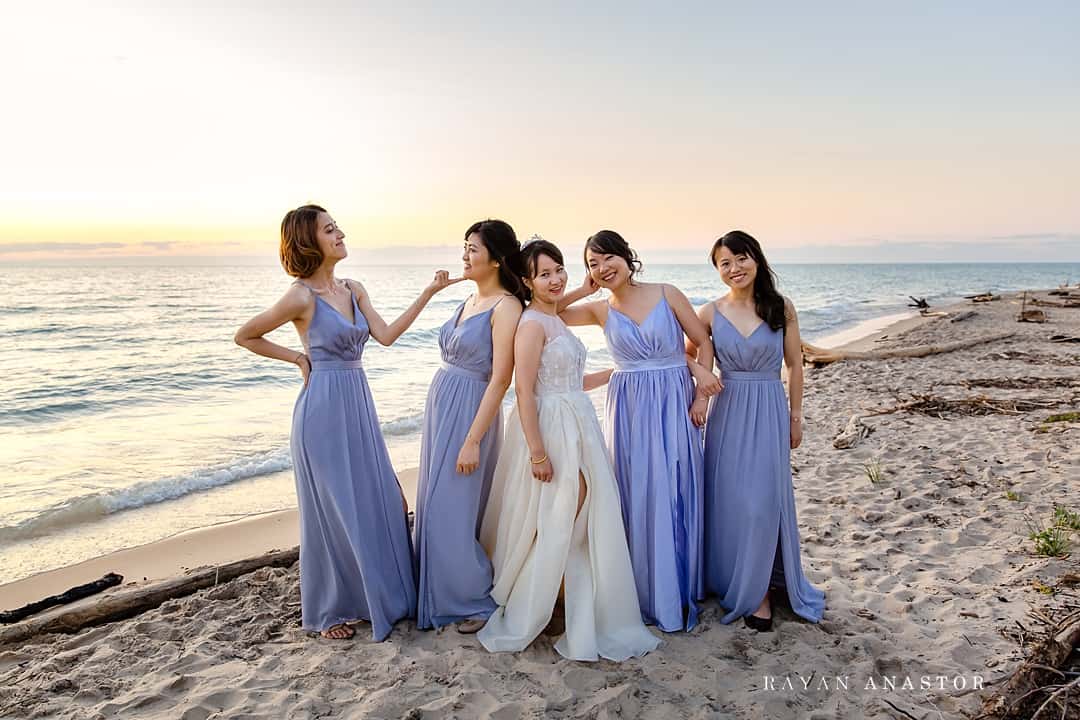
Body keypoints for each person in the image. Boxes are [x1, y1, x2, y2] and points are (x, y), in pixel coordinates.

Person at [234, 204, 457, 641]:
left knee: (377, 499)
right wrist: (297, 356)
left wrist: (429, 293)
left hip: (358, 404)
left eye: (337, 227)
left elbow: (387, 336)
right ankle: (332, 609)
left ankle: (382, 596)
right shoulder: (301, 296)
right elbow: (246, 335)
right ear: (308, 241)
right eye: (329, 230)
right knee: (334, 508)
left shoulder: (353, 289)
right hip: (321, 410)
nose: (340, 234)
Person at [478, 238, 660, 660]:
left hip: (579, 423)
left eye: (558, 269)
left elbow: (570, 379)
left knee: (579, 517)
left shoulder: (555, 318)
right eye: (544, 274)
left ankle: (568, 600)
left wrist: (615, 375)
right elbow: (524, 392)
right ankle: (536, 605)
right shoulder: (530, 325)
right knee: (562, 513)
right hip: (550, 428)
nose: (556, 278)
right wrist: (538, 453)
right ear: (527, 281)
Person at [557, 230, 721, 632]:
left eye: (607, 258)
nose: (602, 268)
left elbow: (701, 341)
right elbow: (549, 310)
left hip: (674, 400)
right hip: (629, 404)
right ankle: (646, 586)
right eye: (592, 263)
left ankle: (679, 584)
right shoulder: (599, 309)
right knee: (639, 488)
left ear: (627, 256)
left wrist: (702, 393)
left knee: (675, 484)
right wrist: (581, 289)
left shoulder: (667, 293)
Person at [690, 230, 825, 631]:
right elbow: (683, 355)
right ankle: (744, 585)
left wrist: (795, 417)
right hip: (727, 411)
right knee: (732, 501)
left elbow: (795, 365)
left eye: (741, 258)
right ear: (717, 271)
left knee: (763, 503)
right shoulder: (710, 313)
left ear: (757, 259)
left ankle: (765, 585)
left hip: (768, 408)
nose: (735, 269)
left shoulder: (780, 307)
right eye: (724, 263)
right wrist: (701, 373)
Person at [413, 219, 525, 632]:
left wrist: (473, 440)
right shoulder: (467, 301)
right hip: (442, 405)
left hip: (470, 412)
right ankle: (439, 591)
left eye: (473, 249)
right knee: (435, 502)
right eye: (465, 247)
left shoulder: (507, 306)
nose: (464, 255)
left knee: (453, 508)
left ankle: (472, 599)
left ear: (495, 258)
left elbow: (500, 378)